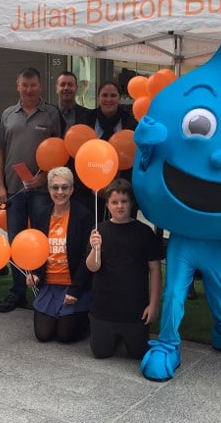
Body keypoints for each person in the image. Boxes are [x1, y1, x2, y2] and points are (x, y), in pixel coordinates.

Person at [0, 67, 61, 312]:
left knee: (42, 241)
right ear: (18, 86)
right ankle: (18, 291)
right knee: (16, 242)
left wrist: (44, 177)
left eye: (33, 85)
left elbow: (59, 150)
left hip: (43, 191)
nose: (29, 90)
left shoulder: (52, 114)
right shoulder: (7, 114)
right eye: (25, 85)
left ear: (40, 87)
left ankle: (43, 289)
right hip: (13, 190)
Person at [86, 179, 161, 359]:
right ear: (108, 205)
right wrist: (95, 249)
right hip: (104, 308)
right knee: (100, 353)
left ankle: (126, 336)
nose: (119, 206)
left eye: (124, 201)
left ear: (131, 203)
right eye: (114, 202)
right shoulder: (99, 230)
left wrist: (154, 304)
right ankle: (106, 334)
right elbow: (92, 267)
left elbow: (155, 269)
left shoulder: (144, 232)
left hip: (135, 310)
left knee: (138, 354)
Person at [26, 167, 93, 342]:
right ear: (48, 189)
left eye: (65, 187)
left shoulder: (83, 215)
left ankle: (86, 317)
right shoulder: (40, 214)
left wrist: (76, 291)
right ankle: (58, 313)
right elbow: (36, 249)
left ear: (72, 189)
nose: (60, 192)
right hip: (49, 285)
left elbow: (86, 257)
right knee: (43, 335)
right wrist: (34, 274)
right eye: (55, 187)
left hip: (73, 285)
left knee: (65, 337)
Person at [83, 81, 139, 219]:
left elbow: (134, 156)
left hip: (123, 189)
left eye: (113, 95)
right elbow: (81, 155)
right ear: (98, 97)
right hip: (92, 189)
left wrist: (117, 185)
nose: (109, 99)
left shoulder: (131, 123)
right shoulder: (86, 120)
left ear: (119, 98)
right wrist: (93, 184)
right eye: (104, 95)